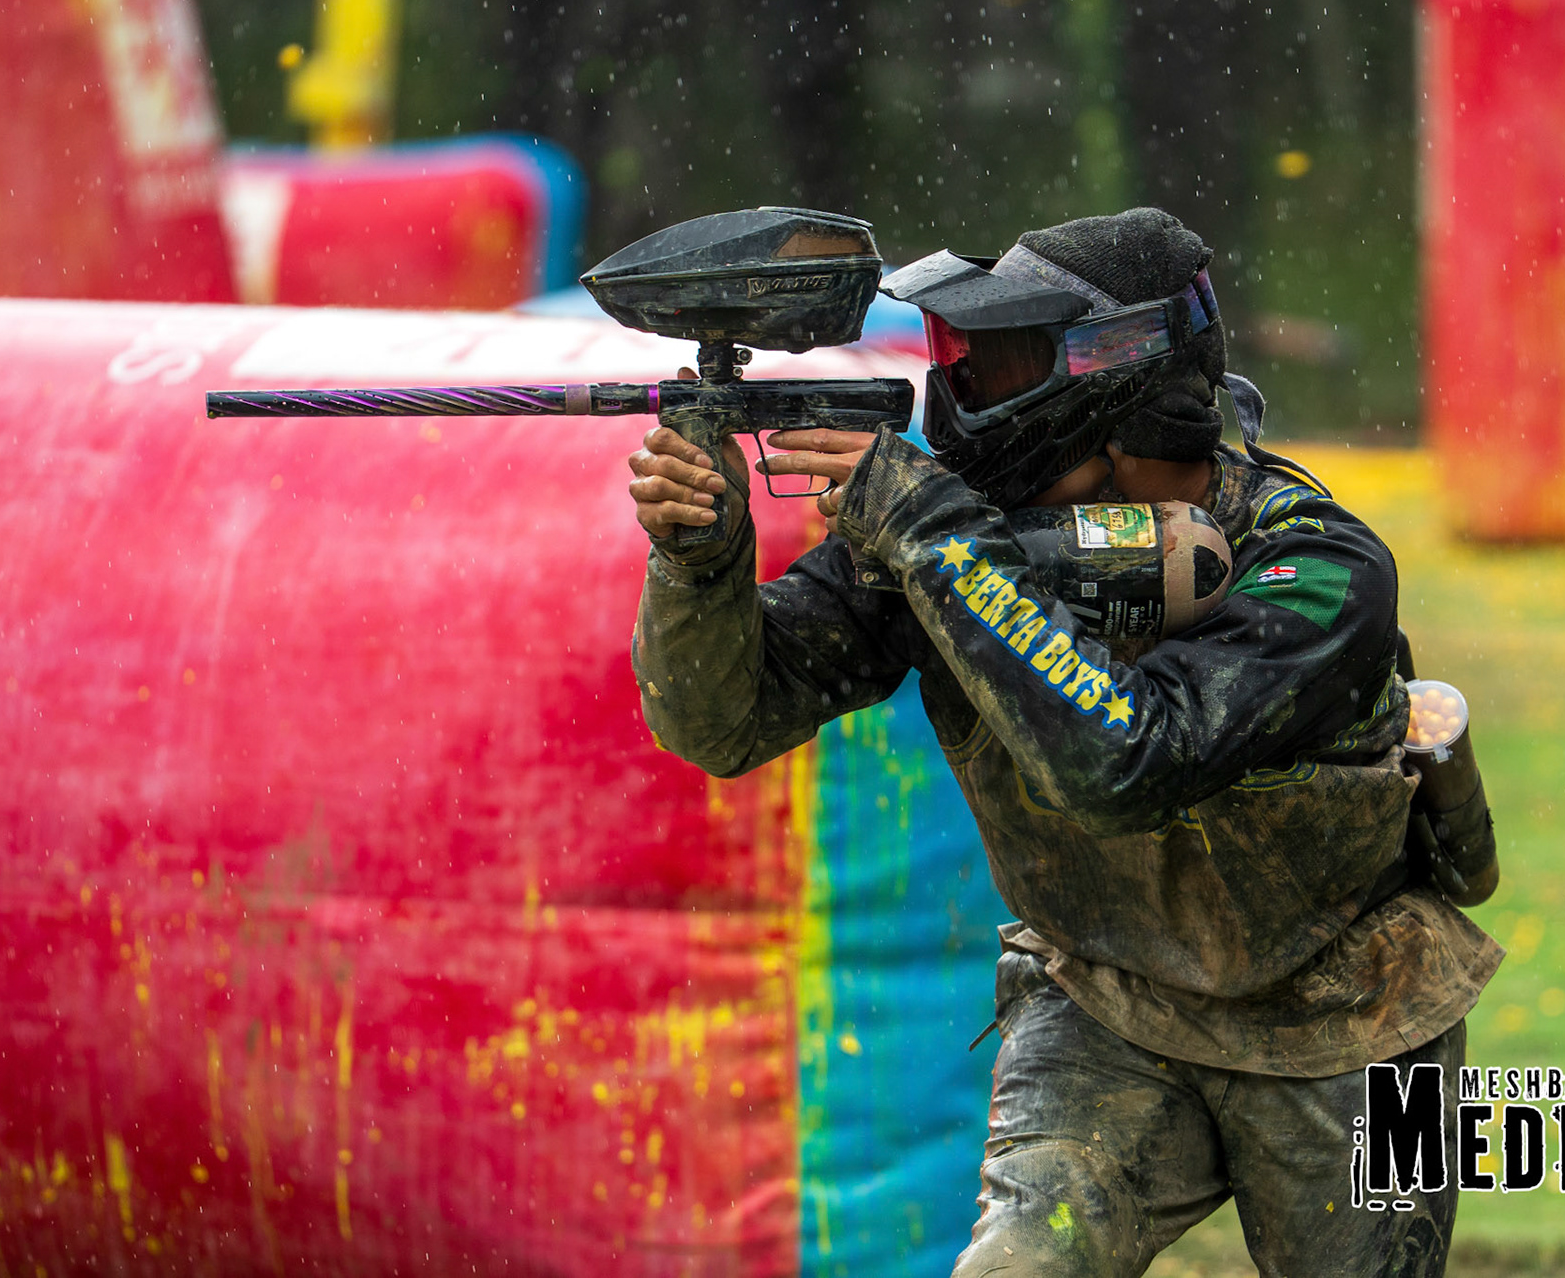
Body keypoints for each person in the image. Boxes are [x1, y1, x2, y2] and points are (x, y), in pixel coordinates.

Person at [625, 208, 1501, 1278]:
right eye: (965, 359)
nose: (968, 391)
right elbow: (721, 721)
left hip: (1366, 1015)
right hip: (1100, 1002)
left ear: (1124, 396)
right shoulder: (953, 531)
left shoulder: (1321, 568)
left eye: (1002, 364)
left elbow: (1126, 761)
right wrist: (701, 561)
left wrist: (936, 540)